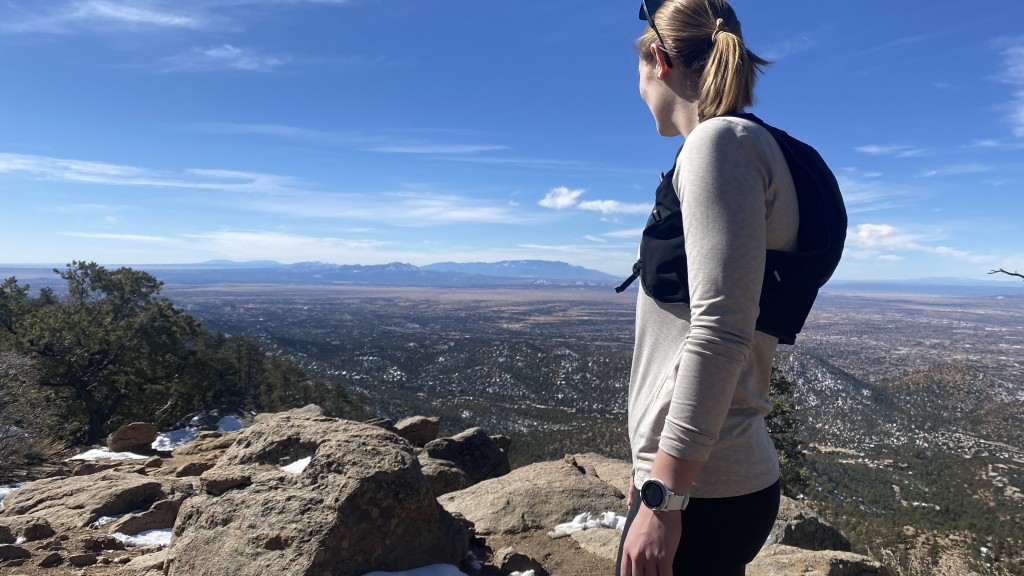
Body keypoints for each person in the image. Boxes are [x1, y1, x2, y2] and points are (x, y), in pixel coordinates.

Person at [617, 0, 797, 574]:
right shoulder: (761, 147)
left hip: (701, 492)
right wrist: (652, 469)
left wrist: (664, 495)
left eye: (639, 72)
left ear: (658, 60)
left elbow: (722, 331)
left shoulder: (718, 145)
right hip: (708, 481)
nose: (639, 89)